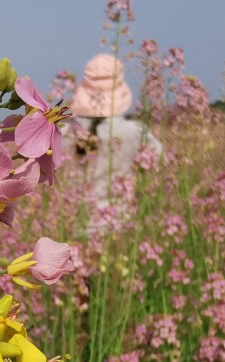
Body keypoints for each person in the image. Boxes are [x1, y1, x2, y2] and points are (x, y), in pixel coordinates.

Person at [63, 54, 162, 230]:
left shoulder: (65, 132)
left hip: (75, 225)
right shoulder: (136, 131)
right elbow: (157, 162)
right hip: (122, 225)